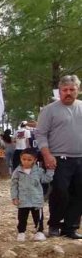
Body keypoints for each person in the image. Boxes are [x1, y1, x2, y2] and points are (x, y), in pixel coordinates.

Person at [37, 75, 82, 238]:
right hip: (58, 159)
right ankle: (54, 225)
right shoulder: (49, 110)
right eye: (65, 90)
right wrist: (47, 155)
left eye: (72, 89)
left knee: (79, 194)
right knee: (60, 193)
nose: (68, 93)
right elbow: (40, 134)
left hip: (80, 159)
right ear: (60, 91)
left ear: (78, 90)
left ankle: (70, 228)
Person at [11, 148, 54, 242]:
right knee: (22, 218)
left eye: (29, 160)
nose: (26, 162)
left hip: (36, 200)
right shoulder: (17, 172)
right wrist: (14, 197)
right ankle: (21, 233)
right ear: (20, 158)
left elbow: (46, 179)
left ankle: (39, 232)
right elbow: (13, 185)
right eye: (24, 159)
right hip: (23, 200)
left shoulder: (39, 171)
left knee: (38, 217)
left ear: (35, 160)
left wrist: (51, 170)